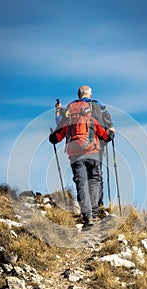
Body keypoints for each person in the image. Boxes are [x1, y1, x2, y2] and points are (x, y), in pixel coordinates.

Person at [49, 85, 115, 227]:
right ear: (90, 94)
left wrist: (53, 135)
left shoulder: (70, 110)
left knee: (81, 183)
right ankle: (96, 210)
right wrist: (110, 134)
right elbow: (106, 129)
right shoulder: (96, 106)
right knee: (96, 180)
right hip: (94, 150)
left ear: (78, 95)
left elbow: (59, 129)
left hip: (75, 153)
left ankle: (87, 216)